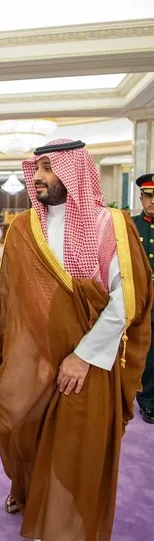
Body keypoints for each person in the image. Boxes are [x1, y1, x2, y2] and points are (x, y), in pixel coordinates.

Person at [0, 139, 153, 541]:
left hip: (87, 366)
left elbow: (126, 300)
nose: (38, 177)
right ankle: (27, 493)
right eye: (36, 168)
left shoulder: (110, 225)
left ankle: (61, 527)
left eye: (48, 168)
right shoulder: (24, 227)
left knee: (76, 447)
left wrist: (83, 356)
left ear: (75, 172)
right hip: (31, 358)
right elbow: (5, 292)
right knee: (22, 433)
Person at [133, 172, 154, 424]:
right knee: (145, 356)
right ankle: (147, 401)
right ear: (141, 198)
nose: (152, 201)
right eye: (148, 195)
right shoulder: (130, 226)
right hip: (140, 302)